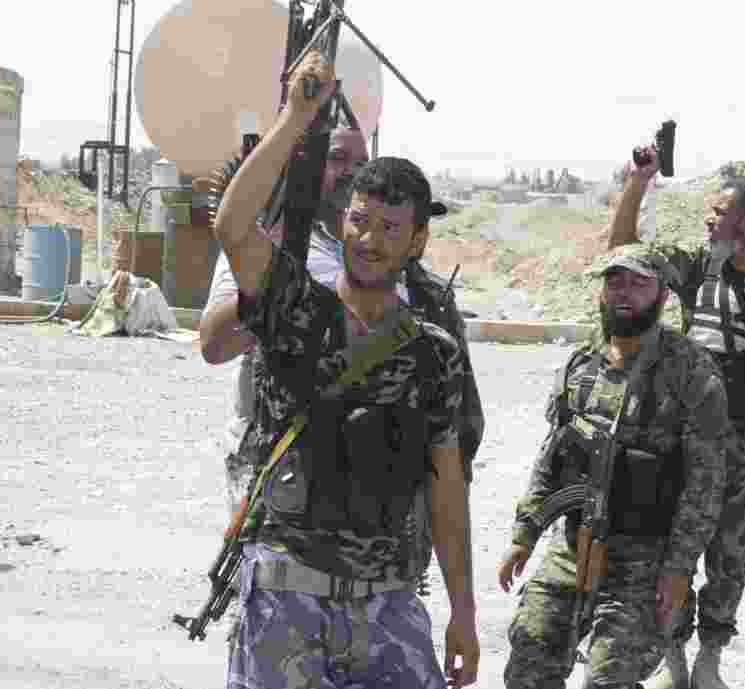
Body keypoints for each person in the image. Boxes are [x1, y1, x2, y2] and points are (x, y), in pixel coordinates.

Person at [210, 50, 479, 689]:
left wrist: (463, 612)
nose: (369, 238)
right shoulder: (295, 307)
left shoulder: (433, 352)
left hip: (387, 603)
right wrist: (297, 116)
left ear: (416, 242)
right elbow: (231, 226)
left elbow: (446, 488)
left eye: (390, 227)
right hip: (285, 600)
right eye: (360, 220)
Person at [201, 119, 484, 525]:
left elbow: (458, 420)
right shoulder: (270, 252)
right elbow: (215, 345)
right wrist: (280, 287)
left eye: (361, 161)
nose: (350, 170)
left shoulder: (414, 279)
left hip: (380, 501)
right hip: (285, 479)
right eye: (337, 158)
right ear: (307, 167)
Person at [608, 145, 745, 689]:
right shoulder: (695, 269)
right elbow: (626, 253)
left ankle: (709, 661)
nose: (707, 218)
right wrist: (637, 182)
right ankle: (673, 660)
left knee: (731, 554)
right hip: (679, 441)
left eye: (717, 211)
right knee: (670, 548)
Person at [498, 243, 729, 689]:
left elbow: (705, 484)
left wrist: (678, 569)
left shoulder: (691, 371)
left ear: (662, 295)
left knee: (608, 680)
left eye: (639, 284)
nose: (624, 293)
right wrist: (524, 535)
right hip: (573, 547)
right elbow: (553, 455)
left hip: (645, 561)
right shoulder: (582, 364)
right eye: (615, 281)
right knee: (529, 666)